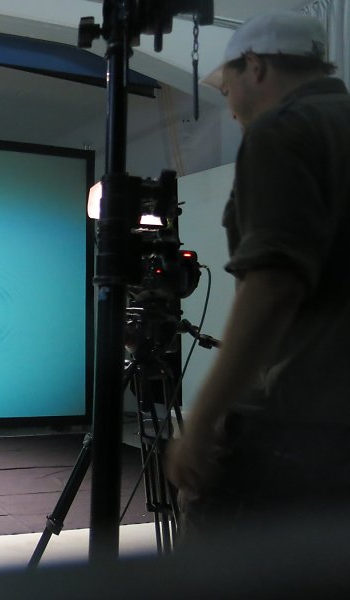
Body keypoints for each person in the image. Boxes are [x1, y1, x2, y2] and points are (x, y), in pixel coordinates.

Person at [166, 11, 350, 541]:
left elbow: (272, 288)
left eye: (228, 90)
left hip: (298, 427)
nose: (230, 109)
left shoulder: (283, 130)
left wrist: (202, 420)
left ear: (256, 67)